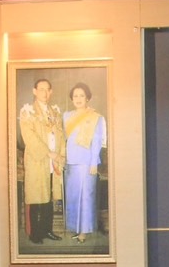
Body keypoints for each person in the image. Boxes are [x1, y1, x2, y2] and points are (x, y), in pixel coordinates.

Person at [18, 77, 63, 245]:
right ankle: (35, 233)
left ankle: (47, 229)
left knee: (49, 196)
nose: (44, 93)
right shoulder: (27, 111)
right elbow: (30, 137)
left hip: (53, 161)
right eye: (41, 89)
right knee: (36, 196)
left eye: (47, 90)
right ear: (34, 91)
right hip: (38, 160)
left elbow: (60, 135)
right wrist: (48, 153)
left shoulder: (55, 112)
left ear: (50, 92)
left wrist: (60, 155)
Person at [63, 82, 105, 243]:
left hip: (87, 163)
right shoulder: (67, 116)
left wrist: (94, 162)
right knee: (73, 196)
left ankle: (84, 232)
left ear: (87, 98)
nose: (78, 99)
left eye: (81, 95)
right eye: (75, 96)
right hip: (71, 162)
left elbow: (97, 141)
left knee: (86, 197)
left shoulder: (96, 118)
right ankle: (76, 228)